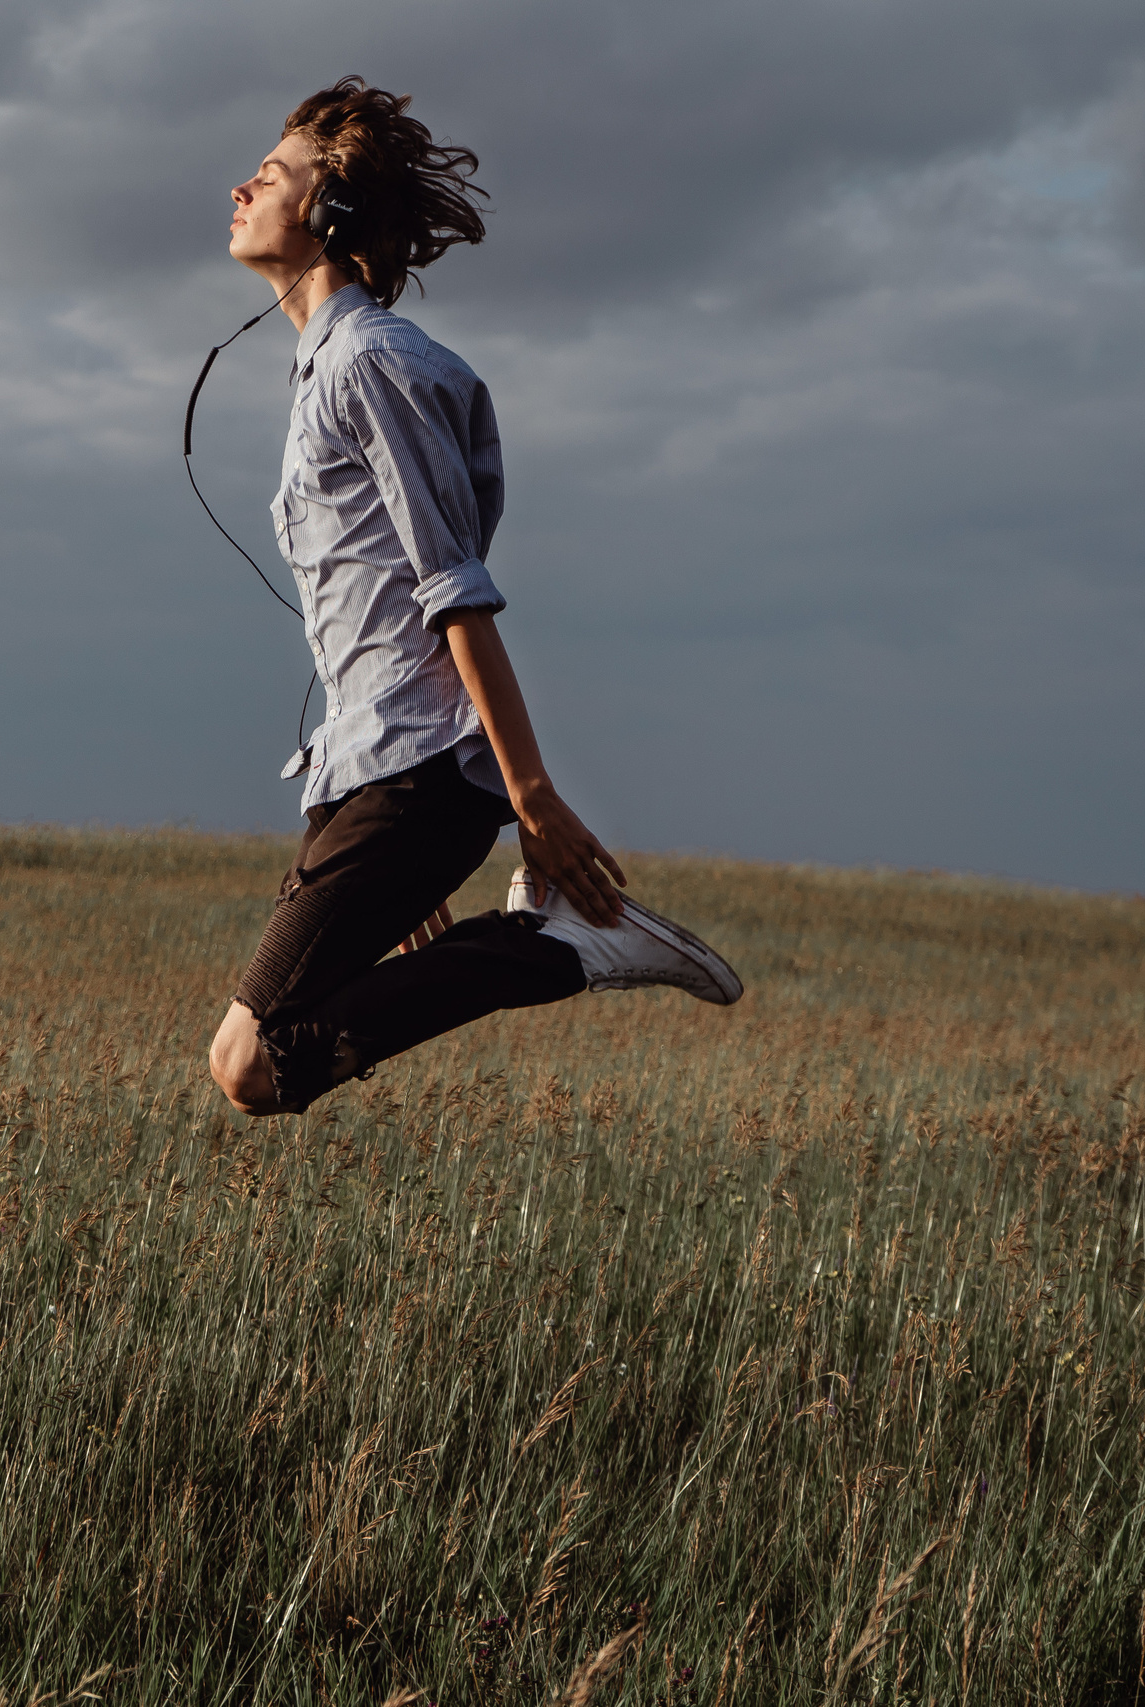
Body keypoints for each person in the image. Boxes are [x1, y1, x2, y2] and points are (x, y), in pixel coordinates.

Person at [205, 76, 741, 1119]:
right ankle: (538, 944)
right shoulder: (326, 372)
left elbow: (456, 590)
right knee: (258, 1063)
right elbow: (382, 609)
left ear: (330, 213)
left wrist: (527, 796)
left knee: (249, 1062)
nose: (241, 186)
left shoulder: (371, 362)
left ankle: (558, 946)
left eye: (268, 176)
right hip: (379, 770)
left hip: (417, 774)